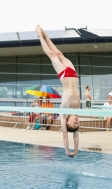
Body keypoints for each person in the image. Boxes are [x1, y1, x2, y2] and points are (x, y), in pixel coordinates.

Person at [35, 25, 80, 157]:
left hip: (65, 76)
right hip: (74, 74)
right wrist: (76, 150)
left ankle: (40, 36)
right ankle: (46, 34)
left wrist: (68, 151)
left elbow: (66, 134)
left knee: (52, 54)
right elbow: (76, 134)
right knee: (59, 53)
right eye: (77, 123)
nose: (76, 121)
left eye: (74, 123)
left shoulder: (63, 114)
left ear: (67, 123)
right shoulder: (77, 112)